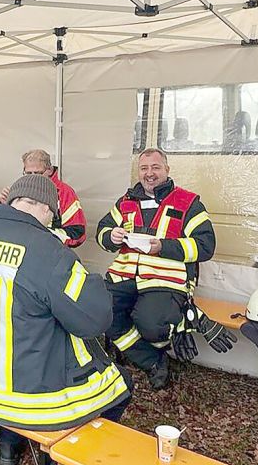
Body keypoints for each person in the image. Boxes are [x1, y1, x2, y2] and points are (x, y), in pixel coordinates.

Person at [0, 173, 131, 465]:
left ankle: (8, 442)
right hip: (27, 398)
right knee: (120, 386)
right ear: (46, 210)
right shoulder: (49, 251)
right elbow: (94, 320)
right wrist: (95, 284)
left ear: (13, 201)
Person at [96, 147, 234, 389]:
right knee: (99, 314)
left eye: (155, 167)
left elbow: (205, 246)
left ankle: (180, 321)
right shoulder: (126, 202)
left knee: (152, 324)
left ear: (167, 170)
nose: (150, 173)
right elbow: (101, 233)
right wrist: (111, 236)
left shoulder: (189, 202)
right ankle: (152, 361)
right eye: (144, 168)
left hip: (165, 279)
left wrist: (163, 247)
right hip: (123, 276)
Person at [0, 149, 87, 248]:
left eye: (37, 173)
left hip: (50, 251)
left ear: (50, 170)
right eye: (28, 173)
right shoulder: (17, 189)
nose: (32, 177)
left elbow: (77, 234)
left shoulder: (65, 193)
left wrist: (41, 233)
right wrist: (5, 206)